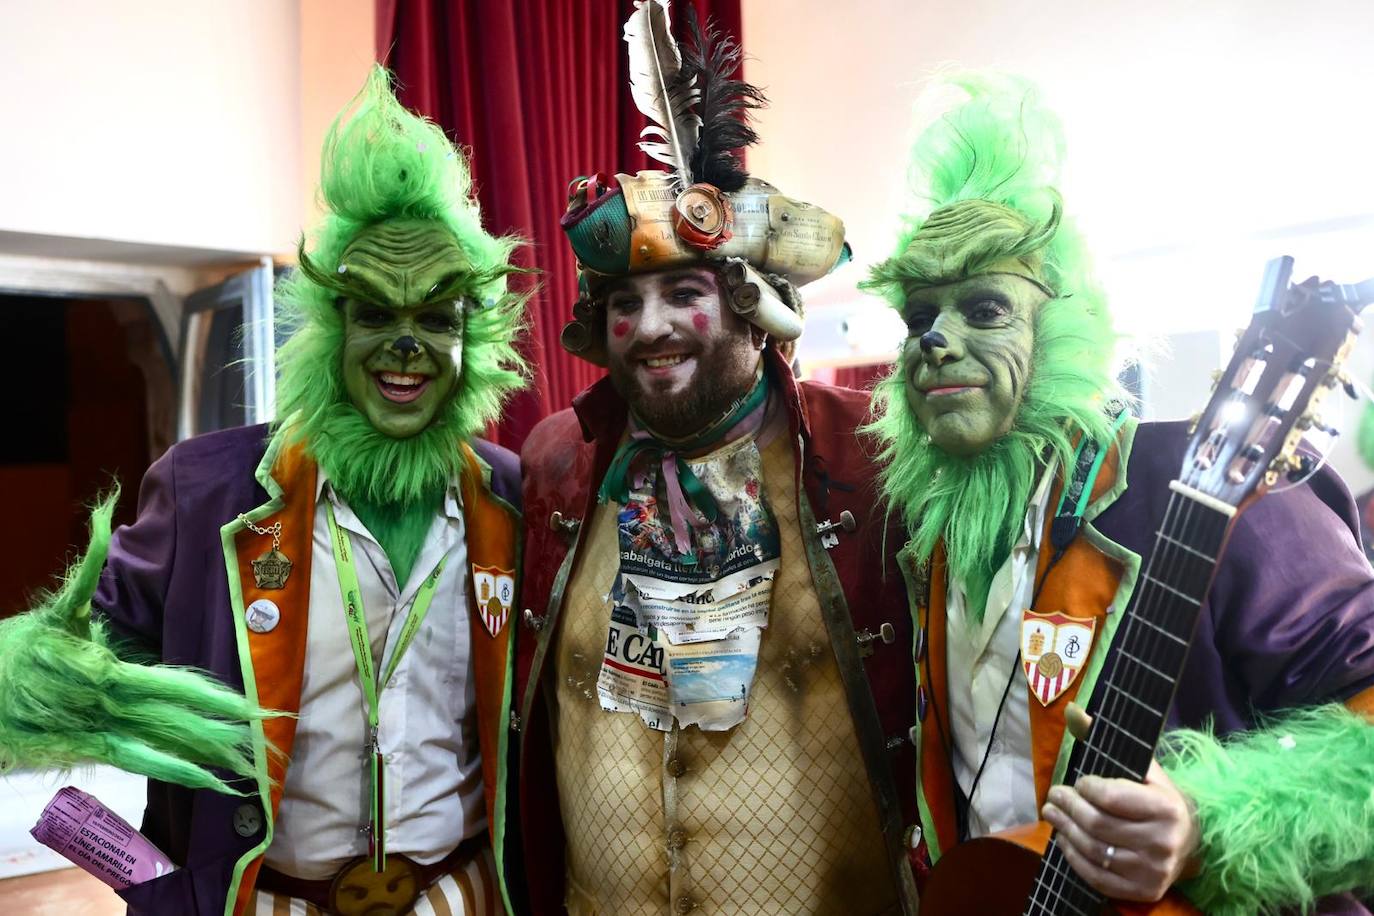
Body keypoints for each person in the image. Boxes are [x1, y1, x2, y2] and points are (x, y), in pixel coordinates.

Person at [0, 68, 526, 916]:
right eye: (372, 313)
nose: (405, 346)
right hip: (270, 900)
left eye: (437, 317)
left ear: (477, 336)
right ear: (328, 328)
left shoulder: (513, 496)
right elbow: (90, 644)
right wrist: (29, 673)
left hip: (461, 896)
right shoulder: (206, 491)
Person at [865, 74, 1374, 914]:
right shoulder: (932, 543)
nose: (936, 342)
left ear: (1060, 325)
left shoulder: (1217, 491)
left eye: (985, 307)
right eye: (919, 316)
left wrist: (1215, 822)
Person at [512, 4, 921, 914]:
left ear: (748, 302)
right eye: (625, 302)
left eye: (684, 292)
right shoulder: (559, 464)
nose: (650, 328)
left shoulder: (873, 459)